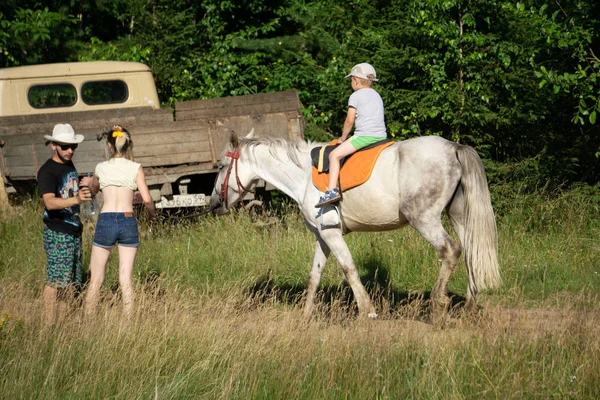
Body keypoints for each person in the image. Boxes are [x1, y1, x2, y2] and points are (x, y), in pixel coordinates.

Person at [84, 125, 157, 317]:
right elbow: (147, 199)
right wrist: (153, 215)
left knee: (96, 279)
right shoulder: (135, 168)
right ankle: (128, 325)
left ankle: (88, 323)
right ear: (128, 144)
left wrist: (90, 183)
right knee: (125, 279)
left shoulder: (100, 167)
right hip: (127, 220)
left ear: (110, 145)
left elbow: (93, 189)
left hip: (106, 219)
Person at [38, 123, 93, 326]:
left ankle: (60, 327)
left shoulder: (68, 165)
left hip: (73, 229)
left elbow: (69, 191)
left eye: (73, 146)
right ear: (53, 145)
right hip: (57, 230)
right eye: (65, 146)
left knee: (68, 282)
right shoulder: (47, 171)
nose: (70, 150)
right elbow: (50, 202)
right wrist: (77, 200)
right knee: (55, 282)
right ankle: (47, 328)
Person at [315, 63, 387, 208]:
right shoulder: (377, 95)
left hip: (364, 137)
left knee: (334, 155)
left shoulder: (355, 96)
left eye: (351, 80)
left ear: (355, 79)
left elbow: (349, 120)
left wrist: (342, 138)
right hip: (382, 136)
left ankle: (331, 191)